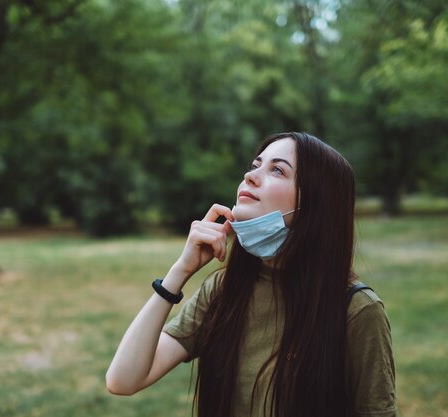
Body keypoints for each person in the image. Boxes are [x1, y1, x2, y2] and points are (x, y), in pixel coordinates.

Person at [106, 132, 398, 417]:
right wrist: (180, 270)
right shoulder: (223, 291)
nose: (251, 176)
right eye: (256, 165)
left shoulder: (357, 311)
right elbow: (123, 380)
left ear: (315, 204)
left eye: (277, 170)